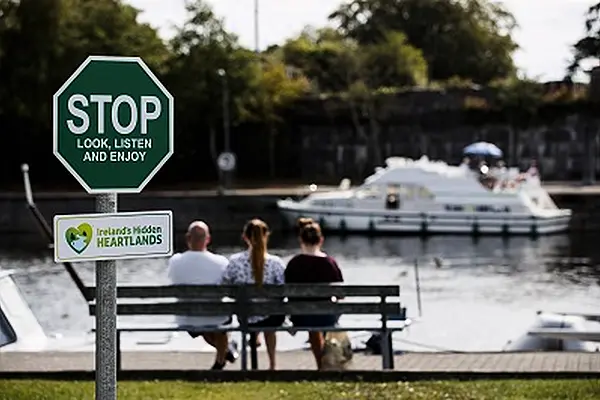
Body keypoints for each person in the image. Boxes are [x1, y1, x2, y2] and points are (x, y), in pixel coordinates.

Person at [167, 221, 239, 370]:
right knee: (218, 321)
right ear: (208, 239)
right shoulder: (221, 262)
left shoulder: (175, 261)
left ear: (188, 238)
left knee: (207, 325)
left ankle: (223, 356)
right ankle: (223, 355)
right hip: (215, 316)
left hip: (187, 317)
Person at [221, 219, 286, 370]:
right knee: (271, 319)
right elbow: (283, 290)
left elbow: (225, 287)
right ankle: (272, 364)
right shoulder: (275, 263)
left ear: (245, 237)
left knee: (250, 311)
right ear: (266, 236)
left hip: (246, 317)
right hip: (271, 318)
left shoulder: (235, 262)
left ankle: (251, 347)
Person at [284, 222, 344, 369]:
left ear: (301, 240)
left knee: (313, 323)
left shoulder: (293, 263)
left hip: (301, 316)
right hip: (327, 316)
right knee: (323, 316)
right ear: (321, 240)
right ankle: (324, 362)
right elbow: (341, 294)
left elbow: (286, 291)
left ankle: (320, 364)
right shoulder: (330, 263)